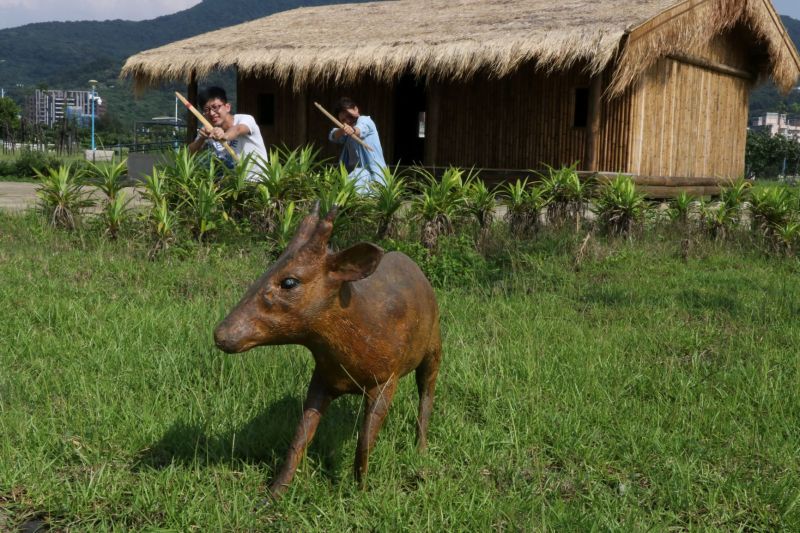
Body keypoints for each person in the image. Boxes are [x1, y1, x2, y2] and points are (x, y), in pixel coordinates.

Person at [188, 86, 267, 180]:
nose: (212, 113)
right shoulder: (208, 129)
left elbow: (237, 129)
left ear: (227, 107)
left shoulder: (245, 119)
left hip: (256, 182)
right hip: (230, 186)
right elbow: (189, 153)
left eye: (215, 107)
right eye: (206, 110)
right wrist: (201, 139)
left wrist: (224, 135)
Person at [328, 97, 387, 189]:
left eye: (349, 116)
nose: (348, 120)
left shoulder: (365, 120)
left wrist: (353, 130)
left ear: (356, 109)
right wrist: (342, 129)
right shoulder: (346, 132)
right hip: (356, 175)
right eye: (343, 120)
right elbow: (333, 136)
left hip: (372, 176)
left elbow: (361, 129)